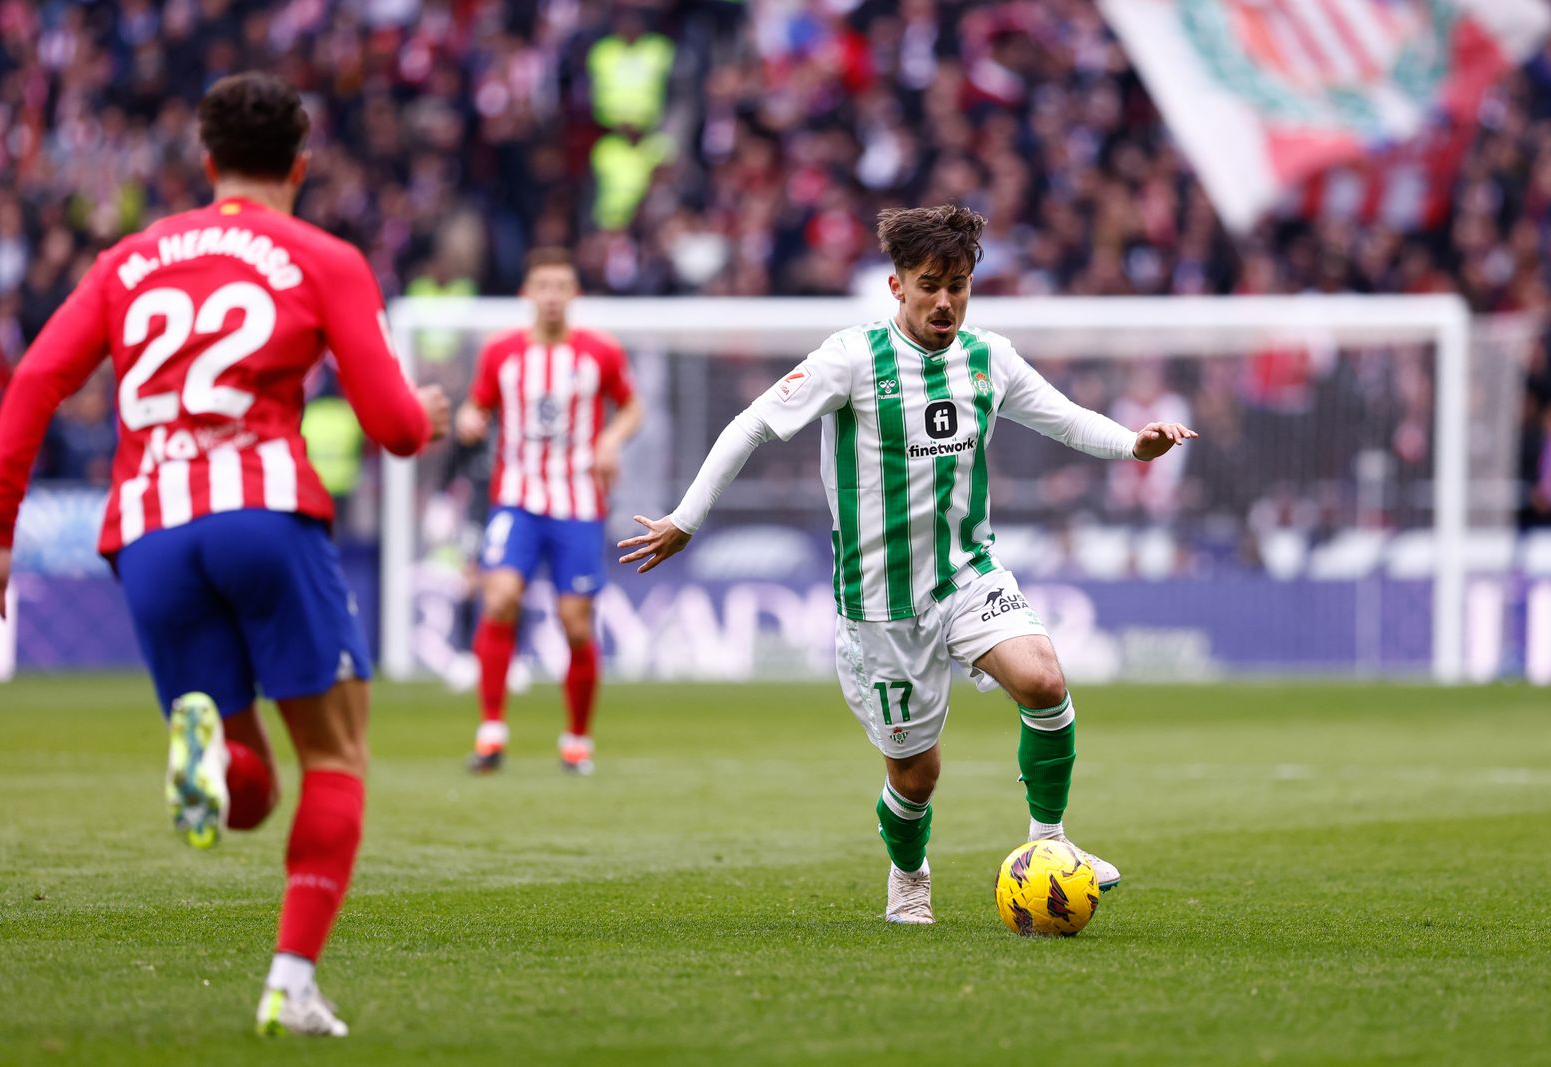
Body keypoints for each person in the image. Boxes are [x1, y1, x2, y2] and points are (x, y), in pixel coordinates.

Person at [0, 73, 450, 1036]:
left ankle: (212, 757)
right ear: (301, 166)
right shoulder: (325, 256)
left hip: (147, 534)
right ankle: (291, 984)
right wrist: (423, 416)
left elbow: (33, 388)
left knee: (249, 786)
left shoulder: (128, 260)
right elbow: (390, 426)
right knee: (337, 755)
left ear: (206, 162)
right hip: (261, 513)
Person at [618, 205, 1196, 924]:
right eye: (930, 285)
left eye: (958, 284)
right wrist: (685, 518)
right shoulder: (851, 358)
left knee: (1044, 680)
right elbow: (753, 424)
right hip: (881, 604)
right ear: (896, 285)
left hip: (968, 573)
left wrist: (1132, 445)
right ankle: (908, 873)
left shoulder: (989, 357)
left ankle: (1050, 840)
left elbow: (1067, 417)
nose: (946, 300)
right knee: (917, 774)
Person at [453, 247, 643, 775]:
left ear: (574, 295)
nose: (553, 296)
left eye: (562, 286)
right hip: (516, 499)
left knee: (575, 624)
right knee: (500, 597)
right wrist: (469, 417)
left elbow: (633, 405)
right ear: (527, 294)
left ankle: (577, 739)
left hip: (578, 503)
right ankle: (491, 732)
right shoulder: (500, 352)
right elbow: (478, 404)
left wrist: (609, 440)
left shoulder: (599, 353)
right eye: (544, 286)